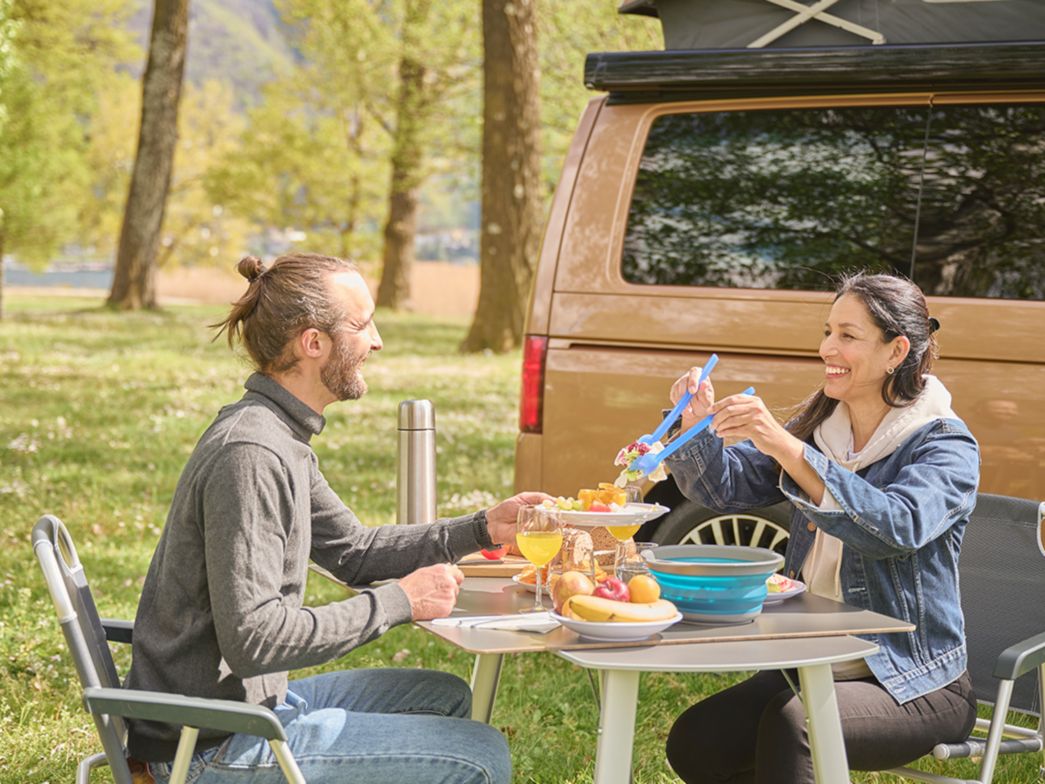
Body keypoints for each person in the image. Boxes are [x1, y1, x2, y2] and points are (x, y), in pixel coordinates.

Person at [125, 252, 545, 784]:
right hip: (208, 743)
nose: (377, 341)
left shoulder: (278, 434)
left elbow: (354, 552)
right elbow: (255, 639)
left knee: (442, 695)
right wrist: (400, 602)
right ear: (313, 343)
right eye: (362, 324)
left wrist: (483, 528)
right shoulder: (251, 454)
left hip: (248, 707)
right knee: (481, 756)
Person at [662, 272, 980, 784]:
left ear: (896, 351)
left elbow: (894, 527)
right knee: (697, 741)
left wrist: (788, 448)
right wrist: (693, 426)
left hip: (913, 681)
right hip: (811, 665)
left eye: (847, 336)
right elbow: (725, 489)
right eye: (828, 331)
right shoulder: (826, 430)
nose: (827, 347)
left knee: (797, 725)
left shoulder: (944, 446)